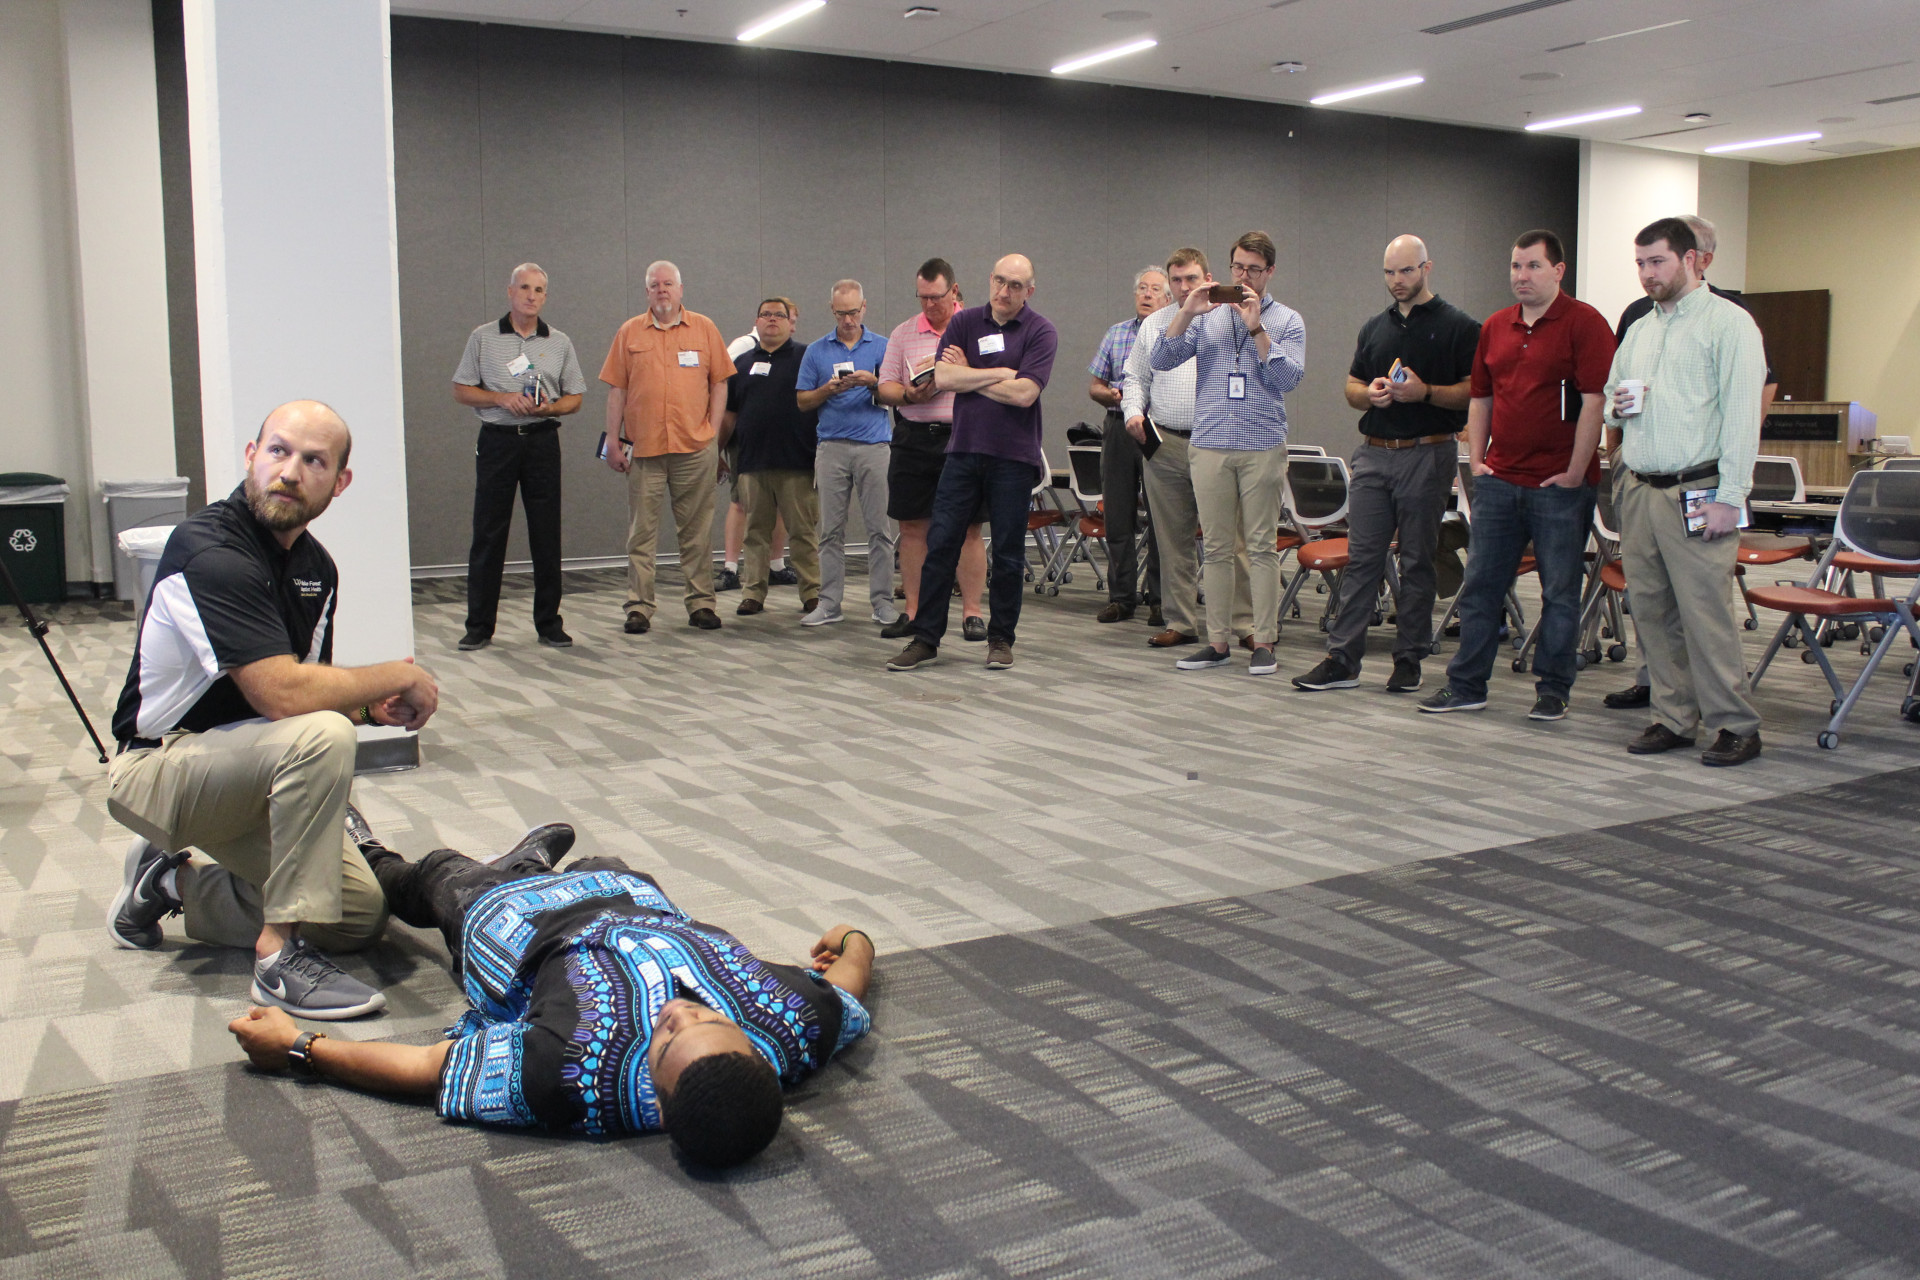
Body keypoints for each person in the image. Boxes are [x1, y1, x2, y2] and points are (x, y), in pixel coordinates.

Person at [228, 810, 874, 1170]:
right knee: (603, 861)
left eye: (668, 1038)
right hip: (628, 898)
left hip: (516, 927)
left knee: (439, 876)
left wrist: (297, 1048)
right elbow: (850, 977)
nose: (679, 1012)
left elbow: (425, 1068)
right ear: (756, 1055)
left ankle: (371, 852)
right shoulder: (793, 1027)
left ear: (656, 1092)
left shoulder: (569, 1080)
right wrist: (852, 935)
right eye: (707, 1020)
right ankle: (529, 860)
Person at [106, 400, 441, 1019]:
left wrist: (371, 714)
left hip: (249, 768)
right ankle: (276, 959)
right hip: (159, 769)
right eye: (279, 451)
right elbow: (283, 696)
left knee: (358, 918)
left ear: (339, 483)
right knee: (320, 732)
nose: (290, 471)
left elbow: (299, 707)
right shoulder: (209, 548)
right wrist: (400, 673)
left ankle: (167, 884)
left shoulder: (317, 570)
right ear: (251, 457)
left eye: (314, 461)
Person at [1417, 229, 1613, 721]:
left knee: (1560, 591)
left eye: (1532, 267)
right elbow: (1481, 398)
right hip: (1501, 480)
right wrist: (1477, 462)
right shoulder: (1496, 326)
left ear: (1558, 271)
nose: (1521, 277)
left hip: (1560, 487)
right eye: (1515, 267)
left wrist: (1574, 472)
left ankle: (1553, 688)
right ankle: (1467, 685)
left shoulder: (1585, 324)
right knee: (1482, 586)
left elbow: (1595, 402)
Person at [1605, 217, 1768, 766]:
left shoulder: (1731, 325)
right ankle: (1672, 717)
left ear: (1692, 259)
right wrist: (1615, 407)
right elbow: (1610, 398)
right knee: (1651, 609)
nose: (1647, 274)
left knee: (1705, 613)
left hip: (1700, 489)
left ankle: (1736, 724)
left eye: (1657, 261)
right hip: (1641, 488)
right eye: (1641, 263)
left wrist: (1732, 496)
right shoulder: (1639, 329)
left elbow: (1744, 420)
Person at [1293, 235, 1479, 694]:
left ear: (1426, 268)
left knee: (1418, 559)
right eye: (1389, 273)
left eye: (1406, 271)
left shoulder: (1459, 326)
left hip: (1427, 450)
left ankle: (1409, 658)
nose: (1397, 281)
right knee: (1362, 559)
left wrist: (1427, 392)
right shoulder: (1375, 327)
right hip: (1375, 452)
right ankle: (1342, 658)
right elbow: (1352, 386)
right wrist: (1369, 394)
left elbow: (1474, 390)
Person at [885, 253, 1057, 673]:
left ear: (1029, 291)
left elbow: (1025, 395)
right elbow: (941, 379)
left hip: (1013, 457)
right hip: (962, 452)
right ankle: (926, 638)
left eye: (1015, 285)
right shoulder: (965, 323)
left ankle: (1000, 639)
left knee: (1011, 552)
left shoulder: (1041, 331)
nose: (1004, 291)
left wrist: (974, 374)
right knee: (940, 544)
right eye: (999, 281)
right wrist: (1002, 372)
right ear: (989, 280)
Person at [1151, 231, 1306, 677]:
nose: (1243, 276)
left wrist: (1257, 326)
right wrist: (1185, 311)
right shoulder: (1206, 316)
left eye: (1253, 269)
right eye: (1238, 267)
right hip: (1210, 445)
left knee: (1259, 547)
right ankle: (1217, 643)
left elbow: (1287, 379)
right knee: (1216, 548)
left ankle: (1264, 640)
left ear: (1269, 272)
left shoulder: (1288, 320)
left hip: (1261, 445)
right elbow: (1162, 358)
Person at [1122, 246, 1254, 650]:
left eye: (1191, 279)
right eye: (1175, 280)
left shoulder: (1228, 320)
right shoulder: (1156, 325)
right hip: (1165, 444)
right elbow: (1135, 378)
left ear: (1208, 278)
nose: (1183, 287)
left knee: (1230, 542)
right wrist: (1132, 412)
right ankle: (1181, 621)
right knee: (1172, 541)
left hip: (1217, 444)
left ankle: (1245, 624)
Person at [451, 263, 587, 651]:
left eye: (539, 290)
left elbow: (575, 396)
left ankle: (549, 623)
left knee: (546, 533)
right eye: (524, 287)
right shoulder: (483, 338)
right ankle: (478, 626)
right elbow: (461, 389)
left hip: (542, 441)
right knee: (489, 532)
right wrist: (501, 398)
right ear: (509, 292)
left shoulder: (559, 342)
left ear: (545, 296)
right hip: (497, 441)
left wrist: (552, 408)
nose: (531, 295)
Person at [600, 260, 733, 634]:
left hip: (694, 448)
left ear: (680, 289)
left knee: (697, 532)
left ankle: (702, 603)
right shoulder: (629, 333)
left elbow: (721, 382)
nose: (662, 290)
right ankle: (639, 607)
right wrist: (613, 440)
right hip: (645, 451)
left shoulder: (704, 328)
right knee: (641, 533)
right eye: (655, 285)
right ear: (647, 292)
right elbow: (617, 389)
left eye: (668, 284)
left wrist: (711, 429)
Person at [877, 258, 988, 642]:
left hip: (964, 437)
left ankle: (972, 612)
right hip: (914, 438)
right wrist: (909, 393)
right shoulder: (904, 333)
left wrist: (962, 370)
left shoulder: (977, 327)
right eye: (922, 298)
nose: (928, 306)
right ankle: (914, 610)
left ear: (954, 291)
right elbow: (884, 387)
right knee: (912, 528)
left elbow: (998, 378)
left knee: (969, 528)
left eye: (936, 297)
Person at [796, 280, 897, 628]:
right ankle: (829, 603)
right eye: (842, 313)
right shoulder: (817, 350)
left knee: (880, 530)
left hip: (874, 447)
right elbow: (802, 401)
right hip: (831, 447)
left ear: (864, 308)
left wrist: (872, 382)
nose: (849, 320)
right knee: (829, 532)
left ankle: (883, 602)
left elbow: (898, 396)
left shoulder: (884, 347)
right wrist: (828, 388)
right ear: (832, 310)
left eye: (854, 312)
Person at [720, 297, 823, 615]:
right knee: (755, 533)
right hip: (752, 463)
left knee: (803, 533)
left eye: (779, 315)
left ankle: (812, 593)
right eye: (765, 314)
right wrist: (716, 452)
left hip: (797, 462)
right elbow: (730, 415)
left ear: (790, 321)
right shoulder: (742, 364)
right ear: (757, 321)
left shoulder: (807, 358)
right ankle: (753, 592)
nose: (772, 320)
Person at [1088, 268, 1170, 624]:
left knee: (1161, 518)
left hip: (1158, 430)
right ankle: (1121, 597)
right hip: (1119, 427)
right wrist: (1110, 394)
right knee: (1118, 515)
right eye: (1141, 288)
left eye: (1155, 289)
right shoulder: (1116, 333)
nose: (1146, 295)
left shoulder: (1175, 332)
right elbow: (1094, 385)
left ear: (1168, 298)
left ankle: (1160, 599)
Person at [721, 329, 794, 594]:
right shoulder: (743, 347)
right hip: (743, 437)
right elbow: (722, 386)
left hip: (776, 438)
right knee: (741, 500)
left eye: (792, 321)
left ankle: (776, 565)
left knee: (778, 501)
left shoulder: (794, 355)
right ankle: (730, 568)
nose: (791, 327)